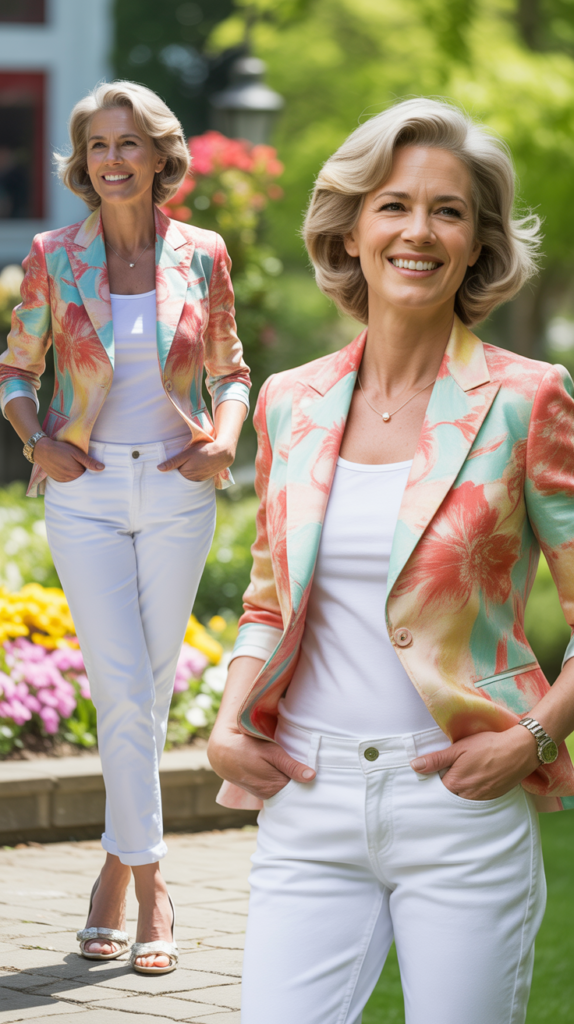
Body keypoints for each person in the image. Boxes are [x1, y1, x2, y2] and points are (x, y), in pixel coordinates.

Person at [208, 97, 574, 1023]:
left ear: (477, 242)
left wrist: (531, 740)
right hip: (308, 800)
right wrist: (225, 721)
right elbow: (266, 600)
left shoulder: (530, 399)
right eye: (394, 205)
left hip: (456, 802)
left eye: (448, 210)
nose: (420, 230)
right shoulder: (291, 402)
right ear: (352, 228)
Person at [0, 80, 250, 975]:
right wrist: (38, 441)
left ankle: (114, 869)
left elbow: (232, 371)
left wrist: (224, 442)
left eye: (129, 144)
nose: (113, 160)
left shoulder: (203, 254)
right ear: (85, 161)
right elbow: (15, 370)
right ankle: (151, 891)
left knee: (142, 683)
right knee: (122, 687)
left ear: (159, 158)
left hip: (179, 490)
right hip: (88, 492)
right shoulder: (51, 254)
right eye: (98, 146)